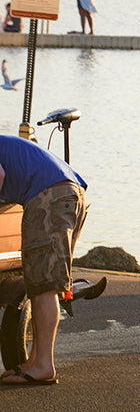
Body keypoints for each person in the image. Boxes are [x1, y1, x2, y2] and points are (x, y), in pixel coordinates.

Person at [0, 135, 88, 386]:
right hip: (67, 191)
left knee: (45, 286)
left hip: (50, 196)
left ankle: (43, 365)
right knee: (41, 285)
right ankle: (36, 361)